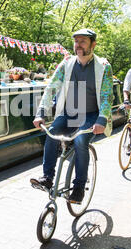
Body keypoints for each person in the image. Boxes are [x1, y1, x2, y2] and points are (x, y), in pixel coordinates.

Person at [30, 28, 114, 203]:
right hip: (69, 112)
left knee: (80, 140)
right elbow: (51, 87)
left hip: (92, 115)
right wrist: (41, 113)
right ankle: (47, 178)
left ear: (93, 44)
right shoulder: (66, 63)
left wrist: (102, 119)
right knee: (52, 132)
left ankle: (79, 188)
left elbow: (107, 95)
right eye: (76, 41)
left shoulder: (104, 67)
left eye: (83, 41)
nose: (78, 45)